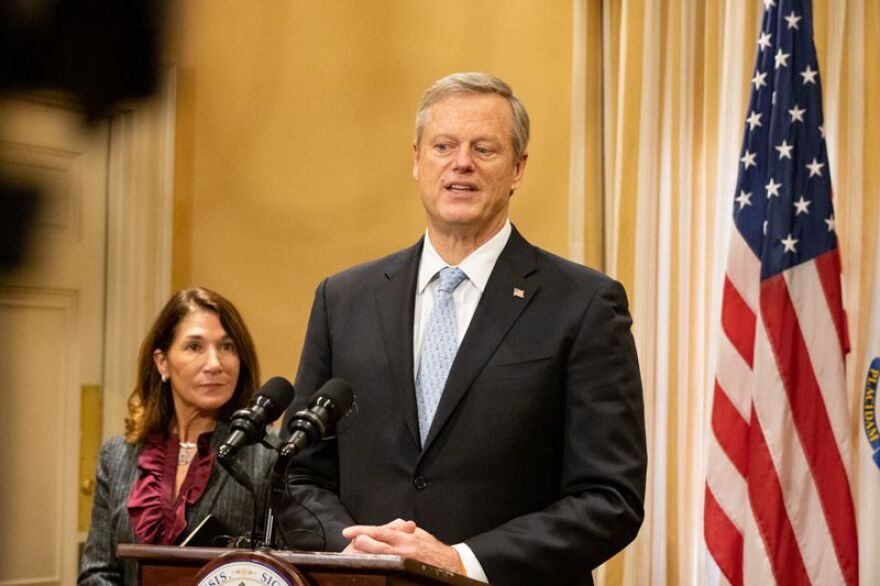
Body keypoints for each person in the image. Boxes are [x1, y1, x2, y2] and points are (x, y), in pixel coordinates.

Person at [273, 72, 647, 585]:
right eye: (444, 146)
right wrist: (361, 549)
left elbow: (610, 499)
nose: (461, 164)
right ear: (416, 159)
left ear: (519, 168)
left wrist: (462, 561)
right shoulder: (343, 299)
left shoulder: (583, 304)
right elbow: (299, 473)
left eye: (485, 149)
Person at [79, 287, 273, 585]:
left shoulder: (266, 454)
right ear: (162, 362)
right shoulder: (117, 455)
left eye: (227, 347)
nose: (214, 364)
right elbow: (97, 571)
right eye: (195, 347)